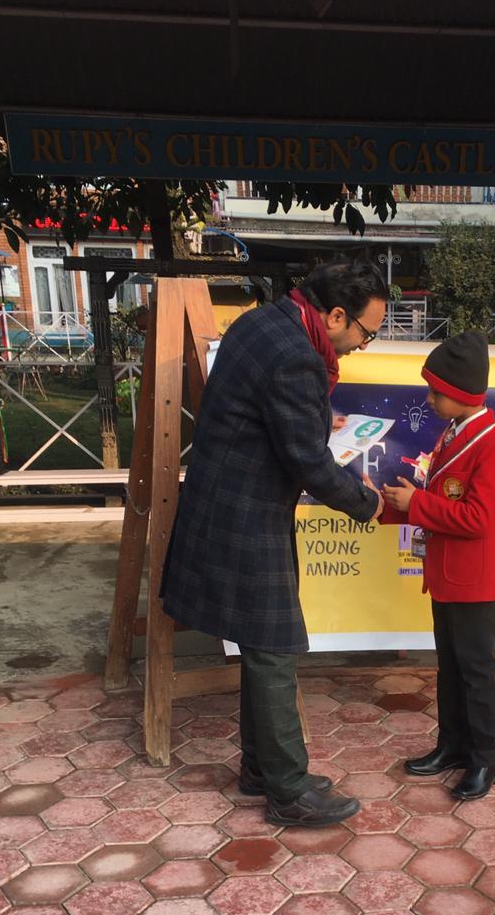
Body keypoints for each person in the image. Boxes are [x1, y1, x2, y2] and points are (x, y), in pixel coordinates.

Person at [161, 259, 388, 828]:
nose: (363, 345)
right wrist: (367, 503)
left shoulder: (261, 322)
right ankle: (288, 789)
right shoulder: (297, 356)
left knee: (261, 640)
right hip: (247, 511)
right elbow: (308, 461)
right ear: (336, 316)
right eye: (366, 333)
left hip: (228, 499)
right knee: (274, 647)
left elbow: (268, 414)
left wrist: (316, 421)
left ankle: (260, 769)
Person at [381, 332, 495, 801]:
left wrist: (417, 504)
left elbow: (481, 519)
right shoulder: (454, 434)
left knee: (475, 672)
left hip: (477, 583)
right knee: (450, 668)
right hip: (447, 576)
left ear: (461, 393)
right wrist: (392, 506)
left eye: (436, 392)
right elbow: (441, 503)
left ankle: (484, 758)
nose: (429, 399)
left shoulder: (494, 446)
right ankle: (453, 745)